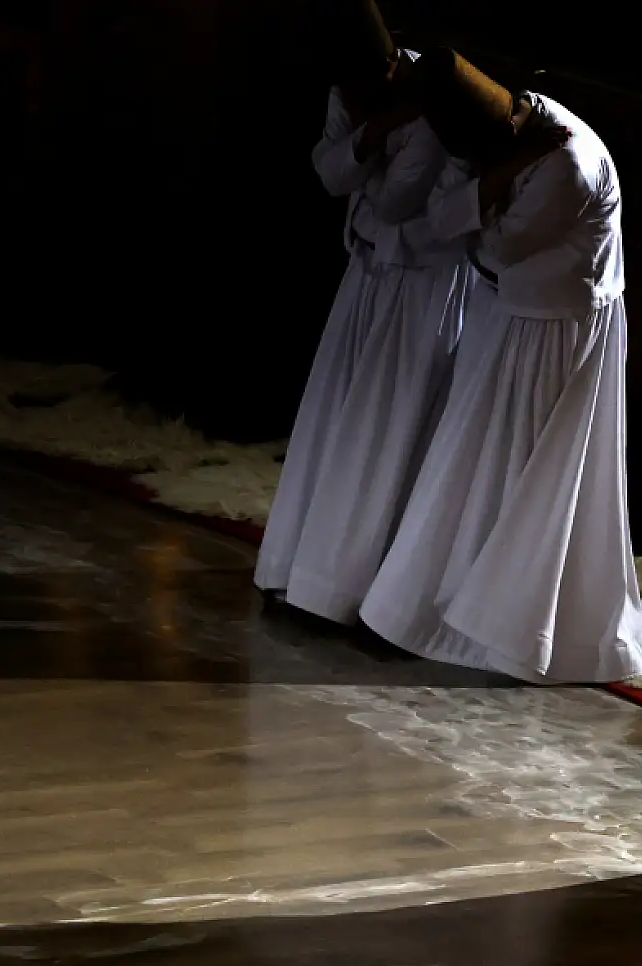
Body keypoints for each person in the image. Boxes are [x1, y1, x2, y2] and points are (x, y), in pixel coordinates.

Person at [358, 49, 642, 683]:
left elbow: (500, 245)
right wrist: (489, 188)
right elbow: (446, 220)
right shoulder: (502, 135)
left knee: (523, 463)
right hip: (505, 313)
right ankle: (438, 599)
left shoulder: (567, 161)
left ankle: (506, 622)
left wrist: (478, 203)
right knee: (470, 452)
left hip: (553, 331)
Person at [253, 1, 471, 624]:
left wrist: (361, 152)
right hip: (369, 271)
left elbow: (398, 198)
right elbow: (329, 175)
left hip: (420, 284)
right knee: (336, 413)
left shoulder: (427, 102)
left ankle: (354, 584)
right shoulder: (349, 96)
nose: (346, 99)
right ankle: (303, 566)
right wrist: (371, 135)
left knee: (383, 426)